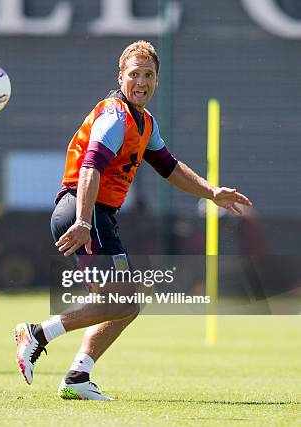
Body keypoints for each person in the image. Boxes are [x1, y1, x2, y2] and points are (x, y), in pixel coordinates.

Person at [14, 40, 252, 400]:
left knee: (127, 303)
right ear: (120, 77)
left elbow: (170, 167)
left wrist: (211, 192)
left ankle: (79, 376)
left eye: (149, 75)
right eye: (134, 74)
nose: (141, 82)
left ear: (157, 79)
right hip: (83, 210)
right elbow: (91, 167)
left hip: (99, 216)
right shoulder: (114, 115)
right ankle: (37, 334)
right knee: (122, 301)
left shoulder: (145, 122)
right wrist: (82, 220)